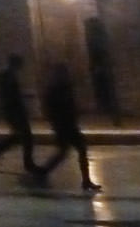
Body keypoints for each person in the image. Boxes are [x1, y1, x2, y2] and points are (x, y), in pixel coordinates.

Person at [33, 63, 100, 191]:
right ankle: (43, 172)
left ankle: (85, 180)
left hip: (67, 124)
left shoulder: (62, 88)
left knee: (72, 151)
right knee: (68, 151)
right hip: (65, 125)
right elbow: (56, 108)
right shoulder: (56, 90)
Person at [0, 52, 37, 172]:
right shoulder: (9, 75)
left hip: (10, 109)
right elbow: (13, 94)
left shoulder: (5, 74)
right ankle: (28, 163)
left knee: (19, 135)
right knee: (26, 136)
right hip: (14, 110)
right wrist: (24, 98)